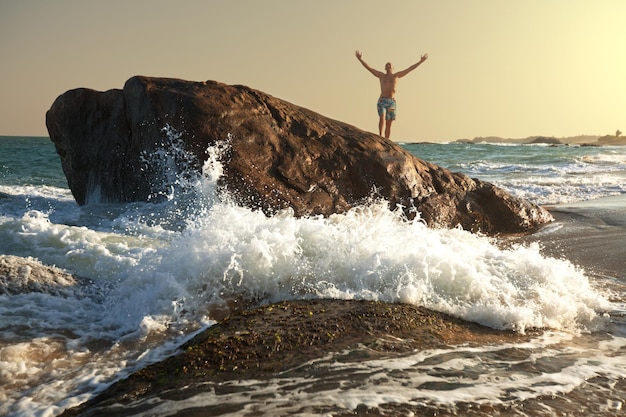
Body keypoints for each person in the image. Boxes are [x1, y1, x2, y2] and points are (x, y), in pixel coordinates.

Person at [355, 50, 428, 139]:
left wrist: (421, 61)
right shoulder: (381, 76)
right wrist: (360, 59)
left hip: (391, 102)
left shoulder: (397, 76)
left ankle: (387, 140)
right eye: (386, 65)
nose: (388, 65)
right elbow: (370, 69)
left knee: (389, 123)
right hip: (382, 100)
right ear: (385, 68)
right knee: (382, 117)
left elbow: (410, 68)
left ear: (393, 67)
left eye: (389, 64)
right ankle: (380, 136)